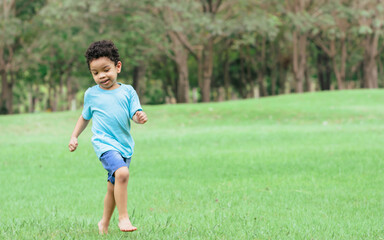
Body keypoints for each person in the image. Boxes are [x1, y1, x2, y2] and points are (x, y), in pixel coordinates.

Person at [68, 40, 147, 234]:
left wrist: (139, 117)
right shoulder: (91, 94)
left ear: (117, 67)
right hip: (104, 145)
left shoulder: (128, 91)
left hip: (124, 145)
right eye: (95, 73)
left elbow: (134, 114)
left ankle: (103, 223)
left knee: (114, 186)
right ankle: (123, 218)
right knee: (122, 174)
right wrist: (74, 136)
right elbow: (84, 117)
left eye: (106, 70)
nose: (101, 76)